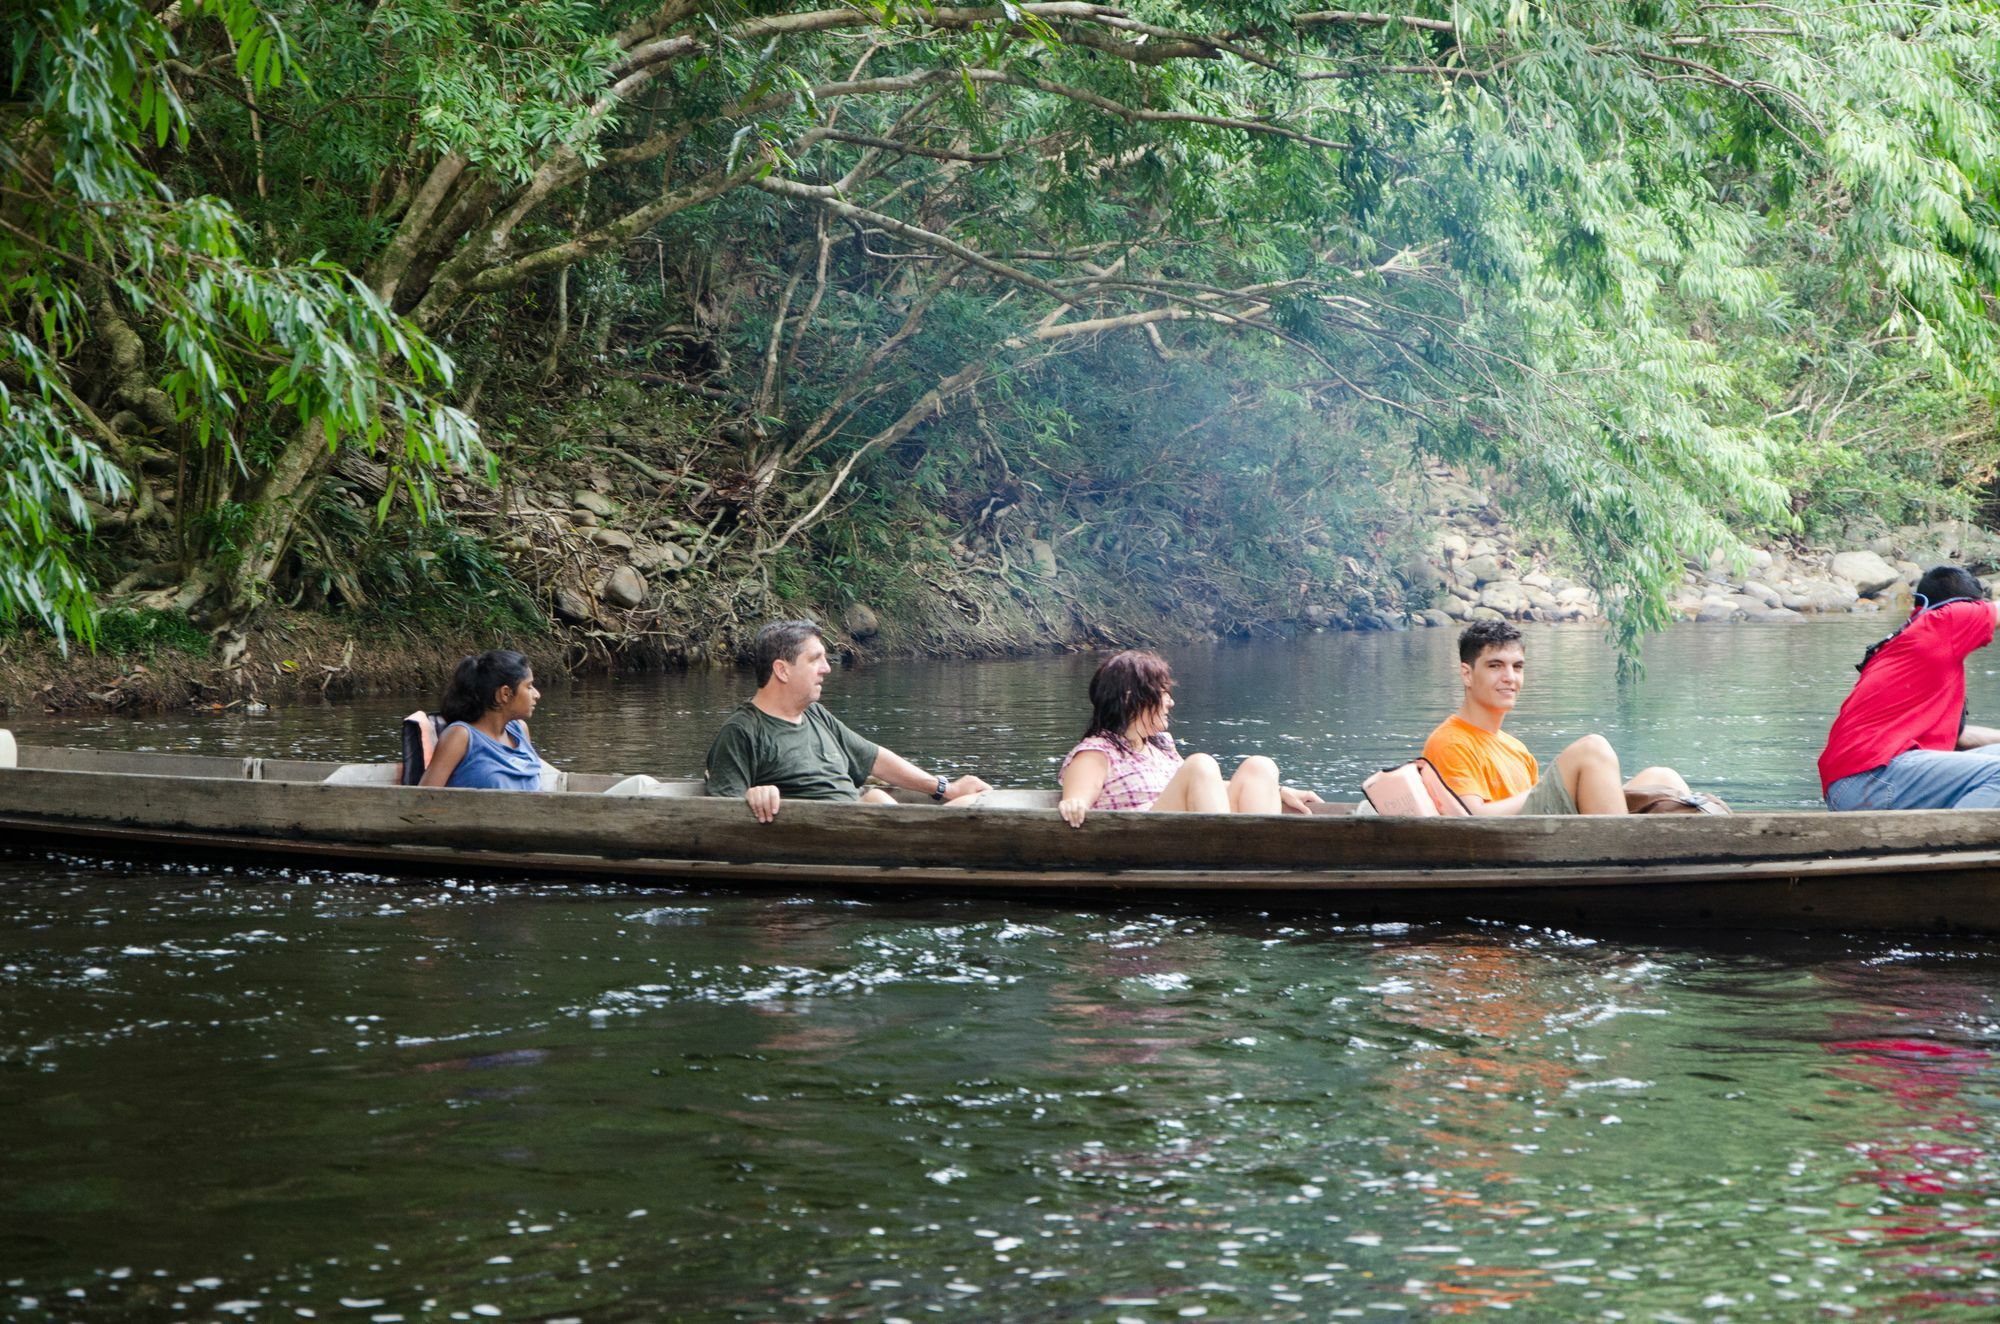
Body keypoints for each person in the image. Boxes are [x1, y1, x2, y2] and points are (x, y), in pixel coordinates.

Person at [705, 620, 991, 821]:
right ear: (782, 670)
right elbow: (721, 815)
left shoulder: (816, 715)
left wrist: (945, 789)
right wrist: (752, 796)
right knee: (967, 811)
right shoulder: (742, 732)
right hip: (835, 833)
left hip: (868, 821)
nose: (826, 669)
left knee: (977, 800)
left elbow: (874, 758)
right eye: (815, 659)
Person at [1422, 619, 1689, 815]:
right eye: (1495, 666)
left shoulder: (1516, 749)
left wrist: (1560, 789)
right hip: (1509, 848)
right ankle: (1625, 860)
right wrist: (1559, 785)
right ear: (1467, 674)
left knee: (1663, 778)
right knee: (1591, 750)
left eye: (1517, 667)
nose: (1509, 678)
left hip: (1546, 835)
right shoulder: (1451, 740)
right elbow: (1472, 819)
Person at [1057, 649, 1321, 827]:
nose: (1170, 702)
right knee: (1200, 765)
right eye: (1162, 693)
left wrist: (1275, 792)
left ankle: (1265, 856)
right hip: (1148, 840)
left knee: (1260, 767)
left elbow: (1204, 789)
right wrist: (1074, 802)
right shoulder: (1096, 752)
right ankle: (1231, 855)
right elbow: (1077, 797)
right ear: (1130, 699)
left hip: (1190, 829)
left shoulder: (1160, 747)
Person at [1821, 564, 2000, 810]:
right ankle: (1955, 844)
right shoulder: (1945, 619)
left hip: (1859, 783)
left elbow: (1956, 738)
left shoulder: (1917, 642)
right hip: (1871, 779)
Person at [420, 650, 549, 791]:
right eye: (529, 686)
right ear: (505, 693)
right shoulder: (460, 736)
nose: (537, 694)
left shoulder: (520, 730)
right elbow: (422, 798)